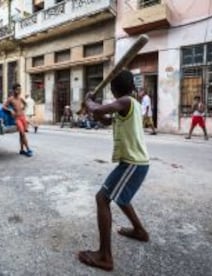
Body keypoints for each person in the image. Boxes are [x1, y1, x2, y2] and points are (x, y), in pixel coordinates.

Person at [78, 70, 150, 272]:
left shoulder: (127, 102)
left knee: (102, 198)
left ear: (114, 90)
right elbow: (105, 119)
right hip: (133, 163)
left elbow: (100, 110)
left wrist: (89, 101)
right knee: (121, 198)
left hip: (133, 163)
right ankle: (139, 231)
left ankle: (105, 256)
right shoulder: (126, 107)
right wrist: (92, 109)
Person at [3, 83, 33, 157]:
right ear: (13, 90)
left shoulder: (20, 98)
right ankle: (28, 149)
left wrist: (23, 108)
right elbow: (3, 107)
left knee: (21, 134)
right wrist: (10, 110)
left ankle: (22, 150)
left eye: (20, 90)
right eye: (17, 90)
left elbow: (25, 104)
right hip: (17, 119)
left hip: (22, 117)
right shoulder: (10, 99)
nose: (19, 91)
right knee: (23, 133)